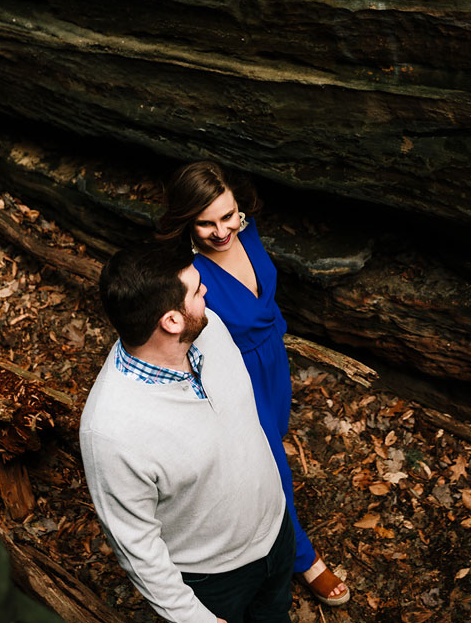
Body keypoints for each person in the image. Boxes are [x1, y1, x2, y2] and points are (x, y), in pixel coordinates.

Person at [158, 161, 350, 607]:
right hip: (234, 375)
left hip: (272, 361)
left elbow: (266, 298)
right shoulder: (187, 275)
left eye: (228, 216)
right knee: (273, 463)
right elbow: (181, 338)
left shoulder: (249, 232)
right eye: (206, 223)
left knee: (271, 445)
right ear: (188, 221)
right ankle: (305, 559)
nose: (222, 231)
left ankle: (252, 508)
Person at [80, 241, 295, 623]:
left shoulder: (208, 330)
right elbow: (136, 546)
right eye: (197, 290)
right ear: (171, 321)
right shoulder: (112, 433)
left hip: (277, 534)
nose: (207, 293)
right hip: (213, 579)